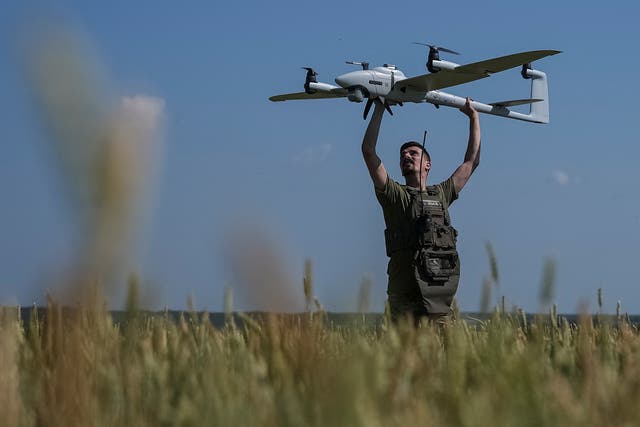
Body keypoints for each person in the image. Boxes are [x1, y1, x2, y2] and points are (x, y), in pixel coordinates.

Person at [361, 97, 481, 323]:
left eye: (413, 153)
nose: (406, 156)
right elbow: (368, 151)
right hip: (404, 297)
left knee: (444, 356)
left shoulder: (442, 193)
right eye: (403, 155)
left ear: (427, 164)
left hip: (438, 295)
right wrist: (379, 106)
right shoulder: (395, 195)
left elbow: (471, 162)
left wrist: (474, 117)